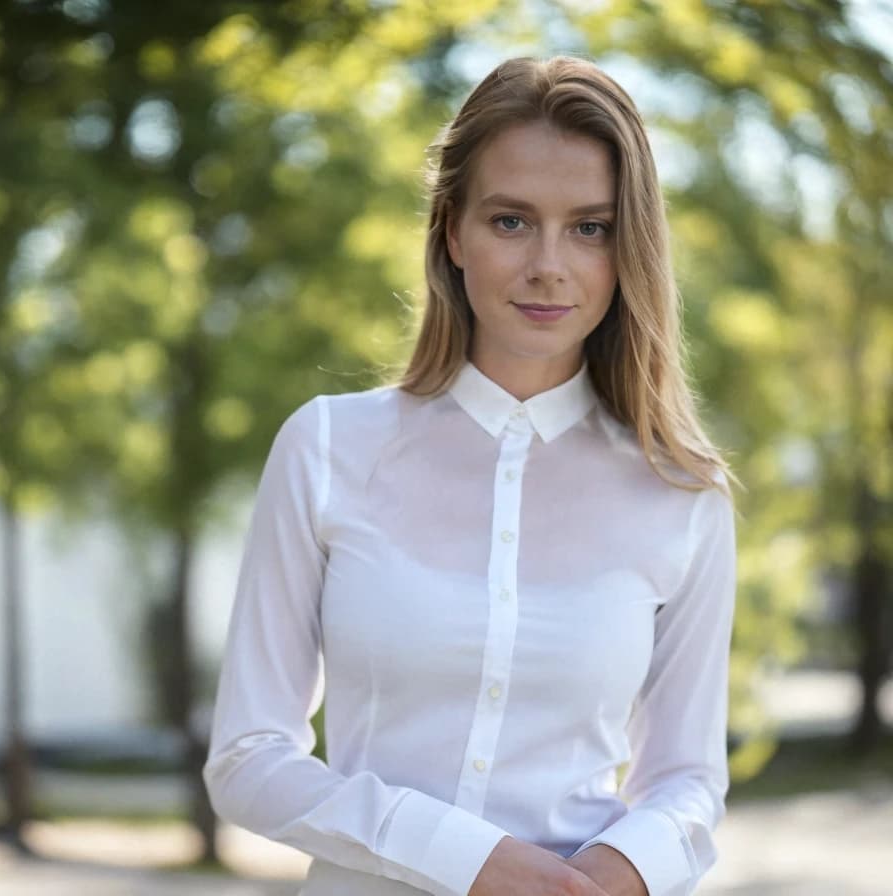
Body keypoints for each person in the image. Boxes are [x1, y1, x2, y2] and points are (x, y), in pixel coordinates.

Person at [202, 55, 738, 896]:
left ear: (628, 245)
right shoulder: (326, 449)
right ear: (453, 232)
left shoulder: (682, 493)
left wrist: (615, 871)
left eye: (590, 227)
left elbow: (688, 782)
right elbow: (246, 757)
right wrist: (463, 856)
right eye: (512, 221)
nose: (549, 266)